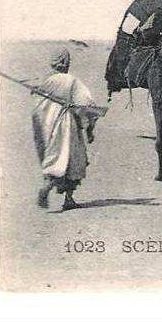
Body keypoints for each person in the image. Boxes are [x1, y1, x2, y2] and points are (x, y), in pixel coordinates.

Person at [31, 48, 101, 211]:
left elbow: (38, 105)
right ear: (66, 63)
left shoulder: (47, 81)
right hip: (67, 124)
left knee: (54, 156)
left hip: (47, 125)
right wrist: (90, 128)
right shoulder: (71, 81)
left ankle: (49, 184)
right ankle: (67, 198)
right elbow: (87, 104)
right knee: (74, 159)